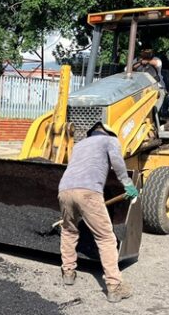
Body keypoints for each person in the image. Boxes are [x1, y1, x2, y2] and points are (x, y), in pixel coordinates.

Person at [57, 121, 139, 302]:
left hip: (64, 190)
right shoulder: (109, 141)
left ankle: (68, 273)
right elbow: (117, 162)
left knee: (69, 230)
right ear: (109, 133)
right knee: (105, 238)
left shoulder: (79, 145)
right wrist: (127, 183)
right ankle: (114, 287)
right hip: (88, 192)